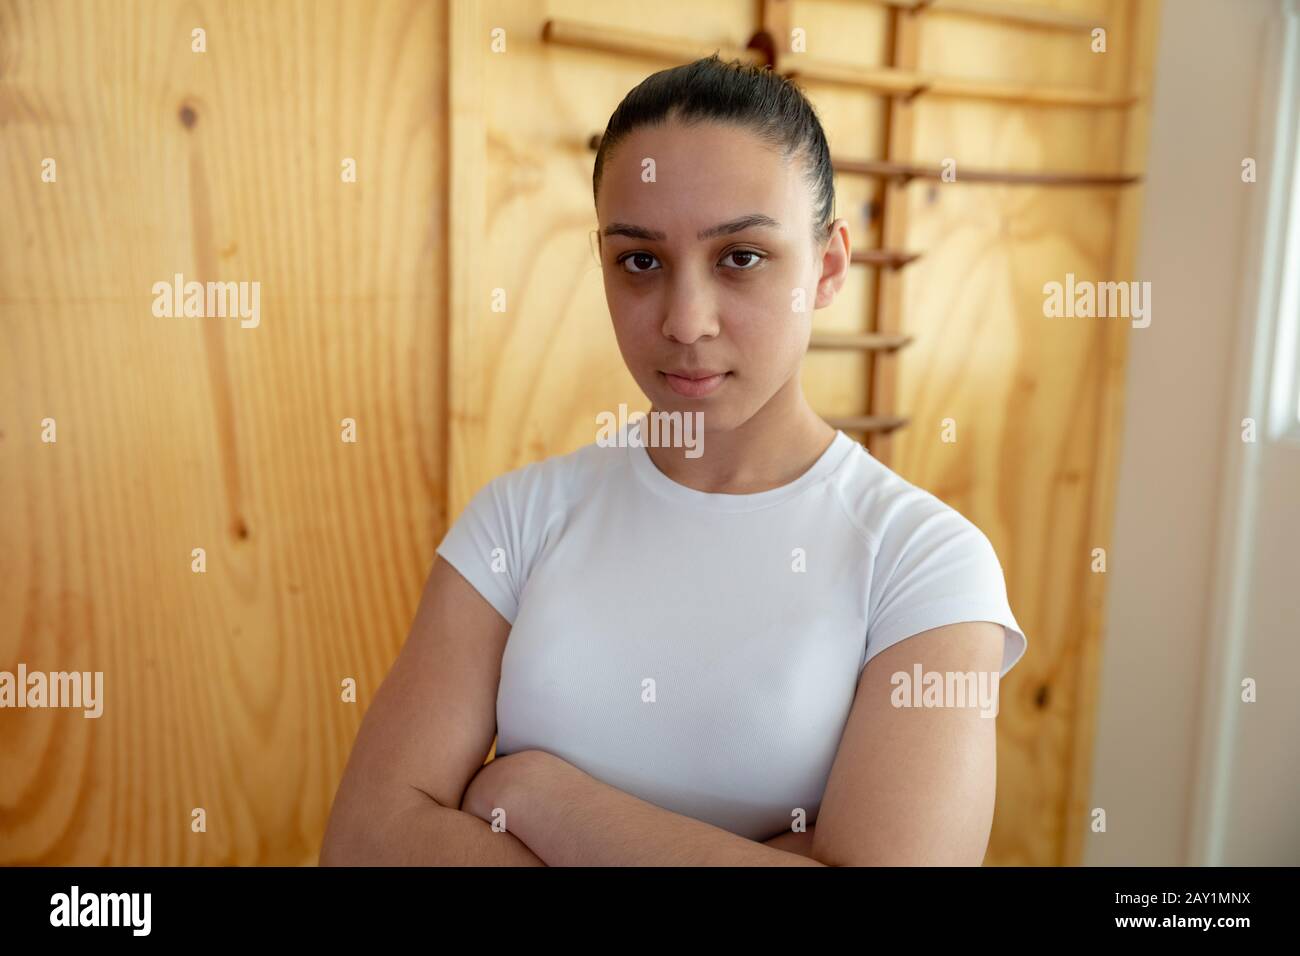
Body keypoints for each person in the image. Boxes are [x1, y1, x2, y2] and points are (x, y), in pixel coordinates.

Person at [320, 53, 1027, 867]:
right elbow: (365, 844)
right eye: (641, 262)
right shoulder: (516, 520)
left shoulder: (928, 567)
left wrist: (539, 798)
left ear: (828, 266)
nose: (686, 321)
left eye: (741, 257)